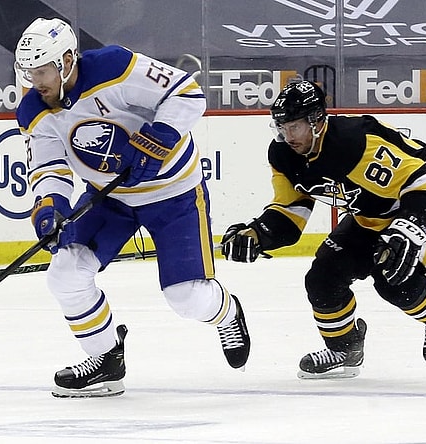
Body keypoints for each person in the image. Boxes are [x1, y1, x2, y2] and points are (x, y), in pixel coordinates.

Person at [13, 17, 250, 398]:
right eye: (28, 72)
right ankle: (106, 360)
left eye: (41, 71)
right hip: (110, 199)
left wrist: (156, 141)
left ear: (67, 60)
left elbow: (187, 93)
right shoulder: (33, 110)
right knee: (65, 274)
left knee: (187, 298)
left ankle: (227, 312)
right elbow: (49, 167)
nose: (35, 81)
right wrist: (50, 208)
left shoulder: (113, 67)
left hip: (174, 194)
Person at [221, 80, 426, 379]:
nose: (287, 136)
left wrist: (406, 231)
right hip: (369, 214)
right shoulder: (283, 155)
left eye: (295, 127)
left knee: (393, 280)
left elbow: (424, 186)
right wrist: (257, 234)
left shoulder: (352, 144)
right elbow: (290, 213)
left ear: (317, 121)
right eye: (281, 127)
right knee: (323, 279)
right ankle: (345, 349)